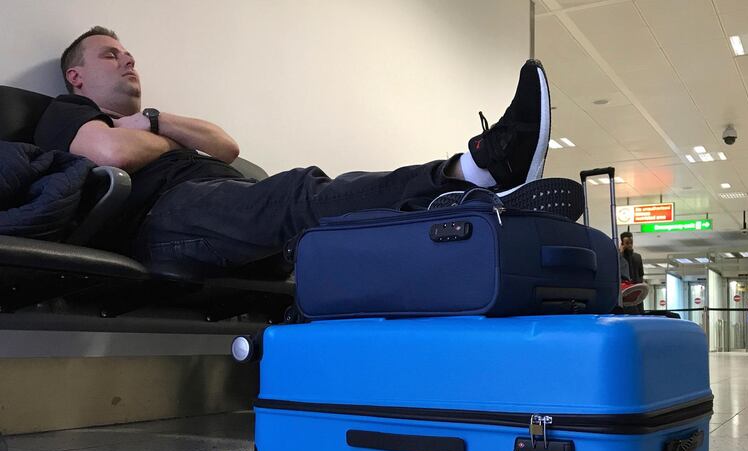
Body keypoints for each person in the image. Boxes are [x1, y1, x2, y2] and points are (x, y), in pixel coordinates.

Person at [33, 26, 583, 273]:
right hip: (165, 221)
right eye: (111, 55)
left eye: (129, 54)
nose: (128, 61)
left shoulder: (152, 121)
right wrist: (153, 137)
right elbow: (110, 154)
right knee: (298, 192)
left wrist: (154, 117)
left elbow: (225, 146)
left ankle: (482, 210)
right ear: (76, 76)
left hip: (214, 204)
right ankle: (480, 167)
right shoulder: (67, 113)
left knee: (337, 239)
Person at [619, 231, 648, 310]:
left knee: (639, 312)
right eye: (627, 243)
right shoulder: (619, 257)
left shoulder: (637, 257)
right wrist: (620, 253)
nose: (629, 245)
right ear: (622, 243)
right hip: (625, 292)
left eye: (631, 242)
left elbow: (640, 274)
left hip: (636, 290)